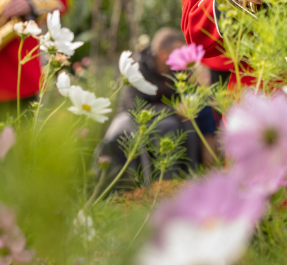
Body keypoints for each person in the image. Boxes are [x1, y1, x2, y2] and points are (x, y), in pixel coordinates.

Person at [93, 27, 218, 187]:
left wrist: (195, 87)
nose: (182, 59)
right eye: (178, 54)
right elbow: (133, 106)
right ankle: (162, 185)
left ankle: (189, 181)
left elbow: (191, 95)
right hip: (133, 119)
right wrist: (174, 110)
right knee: (170, 126)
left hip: (168, 118)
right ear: (164, 54)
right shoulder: (138, 68)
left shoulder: (176, 71)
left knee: (190, 125)